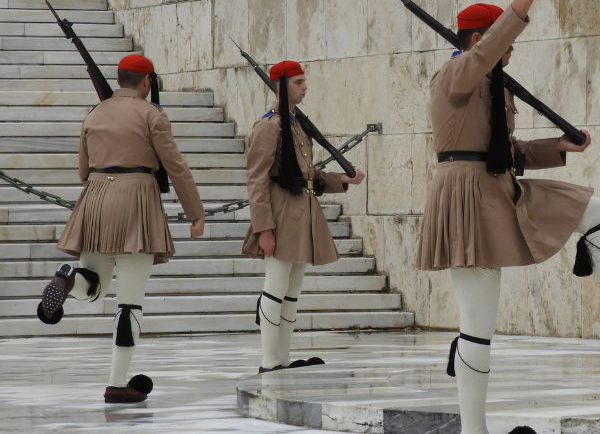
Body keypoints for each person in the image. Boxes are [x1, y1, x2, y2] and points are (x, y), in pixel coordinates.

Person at [416, 0, 600, 434]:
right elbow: (483, 59)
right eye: (505, 44)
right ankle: (473, 429)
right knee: (478, 324)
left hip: (498, 187)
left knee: (595, 209)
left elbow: (504, 151)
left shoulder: (489, 81)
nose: (511, 52)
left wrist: (558, 148)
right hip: (466, 198)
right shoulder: (456, 72)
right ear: (481, 40)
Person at [40, 54, 206, 403]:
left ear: (119, 80)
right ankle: (117, 384)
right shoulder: (152, 115)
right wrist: (195, 213)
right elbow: (176, 167)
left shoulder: (95, 113)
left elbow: (83, 170)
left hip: (96, 198)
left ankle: (68, 279)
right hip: (137, 200)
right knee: (129, 304)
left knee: (93, 286)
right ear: (146, 81)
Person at [242, 60, 366, 373]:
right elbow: (257, 181)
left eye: (303, 81)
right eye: (298, 82)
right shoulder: (268, 126)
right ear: (281, 87)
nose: (305, 87)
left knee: (292, 291)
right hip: (281, 213)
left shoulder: (296, 123)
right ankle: (269, 360)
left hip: (302, 211)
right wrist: (264, 228)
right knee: (275, 286)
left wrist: (341, 179)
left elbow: (306, 174)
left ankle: (282, 358)